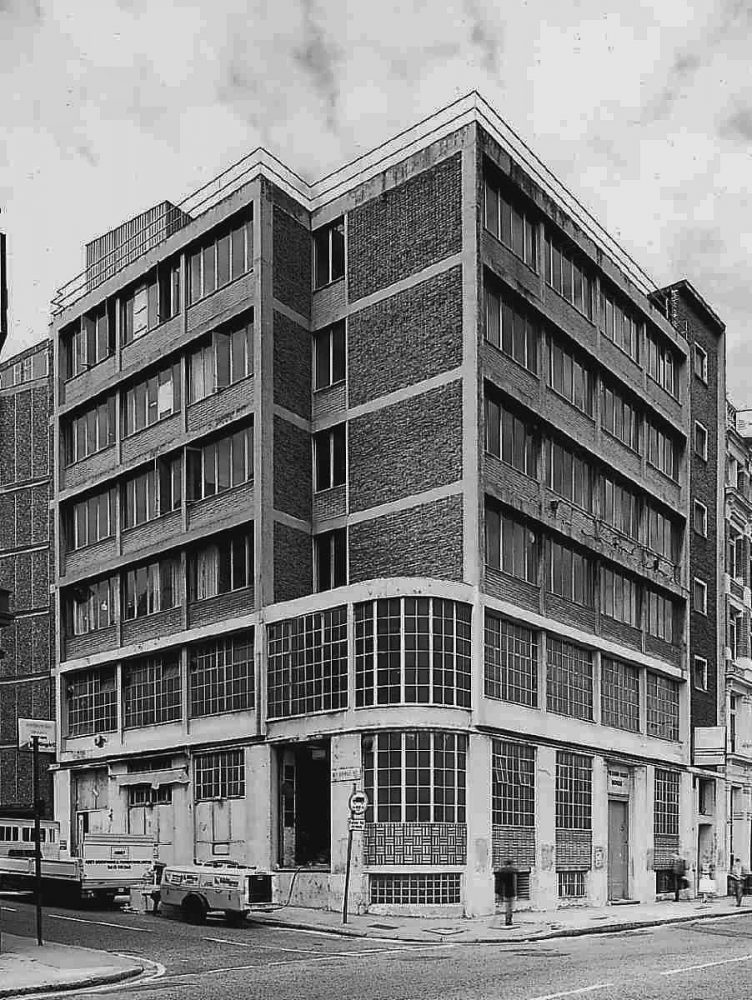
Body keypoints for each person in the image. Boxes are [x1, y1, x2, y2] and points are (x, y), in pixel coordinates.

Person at [498, 859, 517, 926]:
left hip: (504, 891)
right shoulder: (512, 870)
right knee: (510, 907)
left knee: (507, 906)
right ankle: (509, 920)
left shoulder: (502, 871)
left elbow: (500, 882)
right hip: (511, 891)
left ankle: (507, 919)